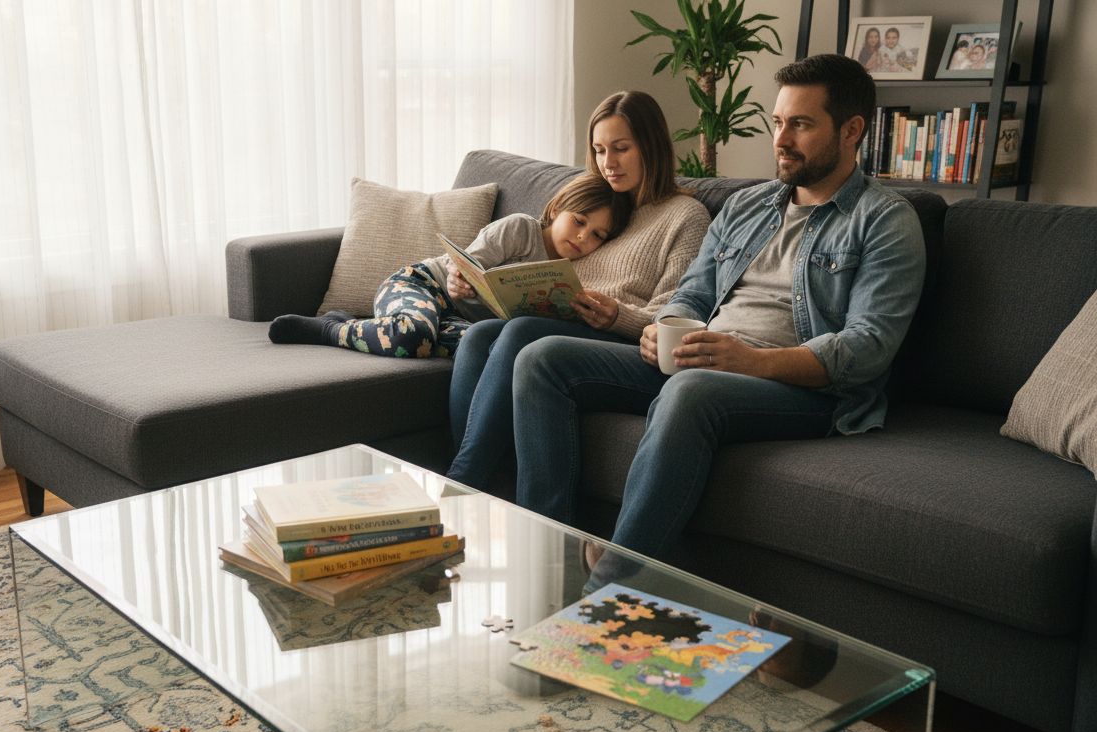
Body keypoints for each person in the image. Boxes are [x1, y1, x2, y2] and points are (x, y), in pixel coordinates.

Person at [509, 54, 926, 559]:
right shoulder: (746, 206)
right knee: (542, 358)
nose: (781, 139)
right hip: (706, 362)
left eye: (801, 124)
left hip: (805, 391)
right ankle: (548, 554)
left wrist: (749, 361)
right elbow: (694, 294)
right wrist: (662, 328)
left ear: (851, 130)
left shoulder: (885, 221)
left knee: (691, 391)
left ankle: (616, 582)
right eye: (777, 122)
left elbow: (868, 348)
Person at [446, 91, 712, 493]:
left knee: (520, 334)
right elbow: (543, 233)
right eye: (600, 150)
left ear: (651, 146)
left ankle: (460, 485)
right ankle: (478, 483)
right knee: (481, 335)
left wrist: (616, 314)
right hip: (565, 321)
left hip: (619, 339)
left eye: (621, 149)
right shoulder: (608, 204)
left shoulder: (685, 216)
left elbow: (674, 311)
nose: (609, 163)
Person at [267, 172, 631, 358]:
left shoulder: (575, 271)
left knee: (483, 346)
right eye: (579, 221)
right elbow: (466, 264)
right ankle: (333, 330)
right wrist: (459, 281)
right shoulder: (520, 228)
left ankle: (371, 328)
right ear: (556, 209)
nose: (584, 239)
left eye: (597, 235)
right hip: (422, 285)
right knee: (413, 334)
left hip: (458, 321)